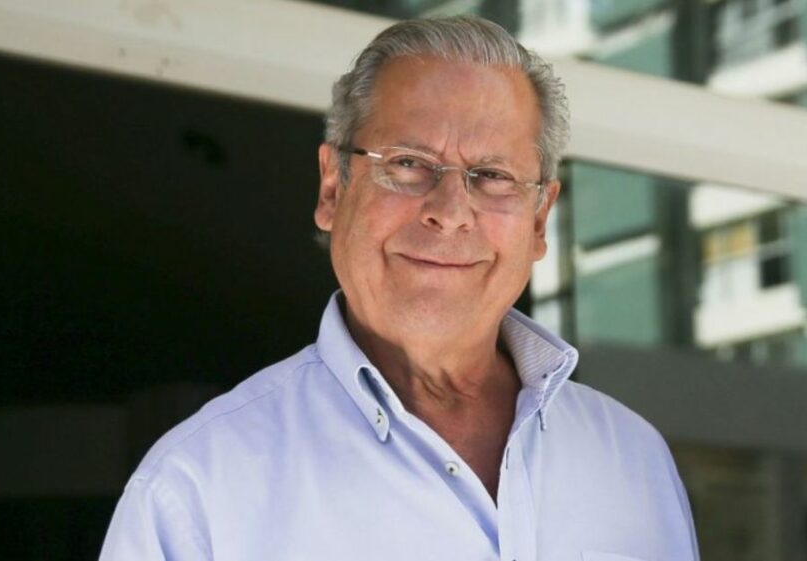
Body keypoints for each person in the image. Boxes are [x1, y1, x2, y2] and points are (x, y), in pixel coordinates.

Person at [100, 15, 698, 561]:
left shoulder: (633, 463)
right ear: (333, 187)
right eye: (409, 163)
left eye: (492, 176)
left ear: (540, 219)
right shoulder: (197, 490)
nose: (450, 212)